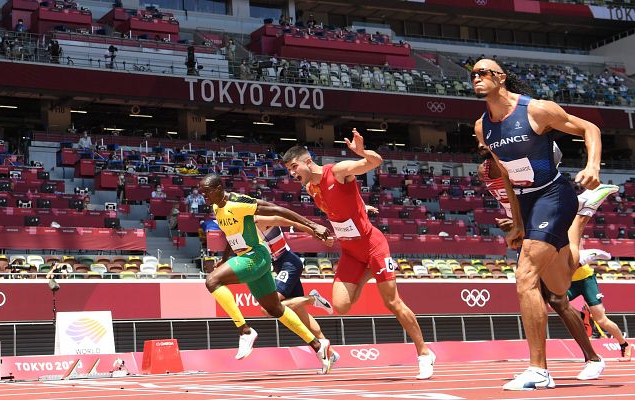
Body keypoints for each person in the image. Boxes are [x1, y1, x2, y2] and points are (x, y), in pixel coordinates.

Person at [471, 57, 612, 390]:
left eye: (482, 73)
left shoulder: (536, 110)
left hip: (554, 193)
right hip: (529, 202)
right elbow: (506, 175)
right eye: (472, 75)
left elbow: (589, 128)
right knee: (559, 289)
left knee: (525, 277)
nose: (475, 78)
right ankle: (580, 230)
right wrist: (517, 221)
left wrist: (593, 165)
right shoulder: (482, 126)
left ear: (500, 77)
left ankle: (538, 370)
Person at [282, 130, 436, 380]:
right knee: (341, 306)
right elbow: (340, 205)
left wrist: (363, 153)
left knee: (392, 303)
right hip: (351, 252)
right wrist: (361, 207)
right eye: (288, 169)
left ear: (307, 161)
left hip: (373, 246)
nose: (291, 173)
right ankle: (367, 273)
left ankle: (424, 353)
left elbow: (375, 163)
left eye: (293, 167)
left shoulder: (339, 171)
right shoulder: (311, 187)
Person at [478, 142, 617, 380]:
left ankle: (556, 365)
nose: (480, 141)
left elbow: (529, 195)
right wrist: (515, 223)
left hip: (541, 219)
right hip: (529, 224)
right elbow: (516, 198)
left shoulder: (519, 164)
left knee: (555, 297)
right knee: (556, 298)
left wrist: (517, 223)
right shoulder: (489, 169)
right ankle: (563, 363)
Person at [199, 174, 334, 372]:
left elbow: (278, 210)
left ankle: (245, 331)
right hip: (248, 258)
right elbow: (232, 235)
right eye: (201, 192)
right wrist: (226, 258)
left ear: (219, 188)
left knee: (212, 281)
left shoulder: (238, 203)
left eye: (207, 191)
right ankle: (318, 345)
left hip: (256, 256)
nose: (203, 196)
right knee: (275, 309)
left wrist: (312, 225)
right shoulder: (216, 207)